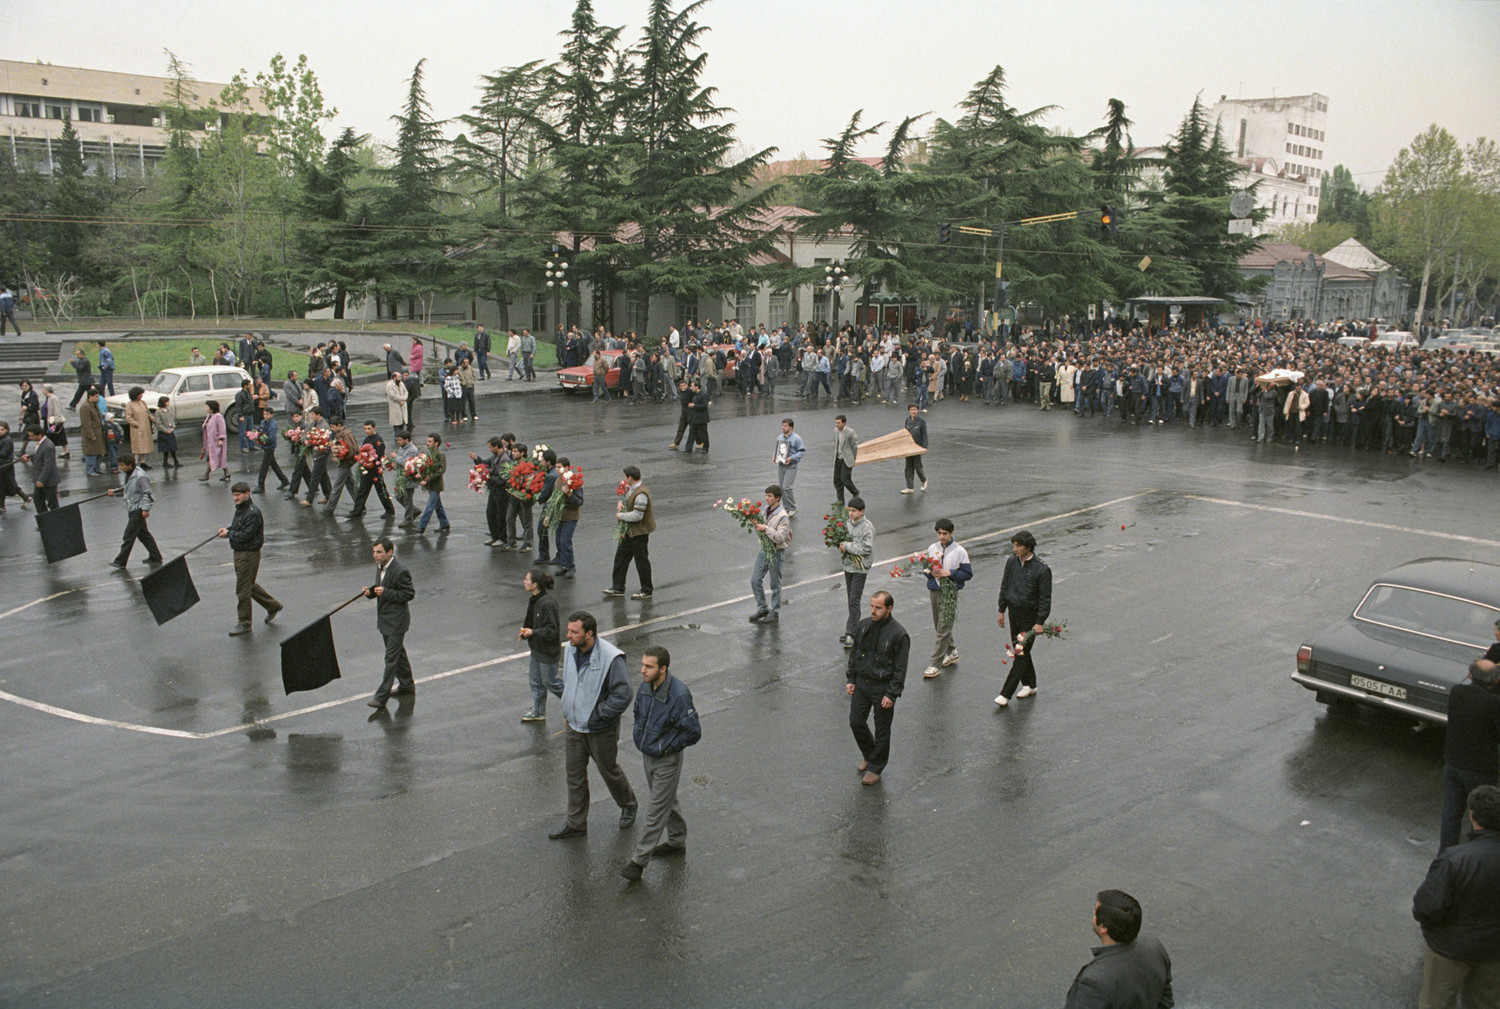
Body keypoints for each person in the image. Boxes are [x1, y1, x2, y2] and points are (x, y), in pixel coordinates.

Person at [548, 611, 638, 839]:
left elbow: (624, 694)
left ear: (589, 633)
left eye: (574, 632)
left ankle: (628, 804)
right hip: (574, 726)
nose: (568, 635)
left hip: (600, 729)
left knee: (609, 771)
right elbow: (571, 682)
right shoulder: (570, 650)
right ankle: (576, 823)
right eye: (568, 630)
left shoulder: (611, 657)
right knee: (574, 775)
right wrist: (570, 709)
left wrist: (598, 715)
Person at [1413, 784, 1500, 1009]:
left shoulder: (1455, 859)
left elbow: (1426, 907)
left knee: (1437, 1003)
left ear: (1472, 816)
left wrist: (1436, 933)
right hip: (1494, 951)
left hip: (1449, 950)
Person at [621, 645, 701, 881]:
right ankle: (676, 841)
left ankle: (638, 861)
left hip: (666, 759)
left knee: (656, 808)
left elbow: (693, 732)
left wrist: (665, 747)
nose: (642, 670)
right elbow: (638, 712)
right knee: (666, 798)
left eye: (648, 666)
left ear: (663, 669)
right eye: (643, 665)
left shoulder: (678, 695)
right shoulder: (646, 687)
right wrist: (641, 738)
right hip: (649, 754)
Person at [1063, 889, 1174, 1009]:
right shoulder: (1153, 946)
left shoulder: (1094, 982)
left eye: (1095, 912)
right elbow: (1166, 1001)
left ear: (1103, 927)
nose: (1093, 914)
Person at [846, 591, 910, 786]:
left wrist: (892, 693)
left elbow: (900, 668)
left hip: (883, 688)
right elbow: (855, 653)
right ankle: (870, 753)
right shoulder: (864, 626)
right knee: (856, 721)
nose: (873, 611)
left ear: (889, 609)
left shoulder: (899, 634)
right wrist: (851, 678)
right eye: (871, 606)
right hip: (863, 683)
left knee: (882, 729)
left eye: (878, 608)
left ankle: (876, 767)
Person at [1439, 659, 1500, 852]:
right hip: (1482, 770)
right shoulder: (1494, 702)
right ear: (1496, 681)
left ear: (1470, 675)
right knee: (1484, 816)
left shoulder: (1457, 692)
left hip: (1454, 763)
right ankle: (1476, 855)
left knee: (1451, 814)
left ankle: (1446, 854)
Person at [995, 529, 1053, 706]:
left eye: (1018, 546)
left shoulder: (1042, 570)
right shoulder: (1012, 562)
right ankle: (1030, 684)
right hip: (1014, 612)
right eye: (1014, 545)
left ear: (1029, 547)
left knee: (1020, 652)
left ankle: (1005, 693)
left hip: (1030, 617)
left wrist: (1040, 622)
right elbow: (1005, 585)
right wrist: (1001, 609)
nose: (1015, 549)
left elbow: (1045, 598)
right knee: (1021, 649)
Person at [217, 482, 282, 636]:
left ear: (247, 493)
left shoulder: (253, 513)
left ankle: (244, 622)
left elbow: (246, 535)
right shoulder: (242, 510)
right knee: (248, 585)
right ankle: (273, 606)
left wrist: (229, 534)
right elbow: (239, 527)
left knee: (243, 590)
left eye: (238, 495)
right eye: (233, 495)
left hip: (248, 554)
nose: (235, 498)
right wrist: (228, 529)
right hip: (240, 552)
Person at [361, 537, 416, 708]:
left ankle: (381, 696)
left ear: (389, 552)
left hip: (396, 622)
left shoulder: (400, 570)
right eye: (374, 552)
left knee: (391, 658)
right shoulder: (381, 566)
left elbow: (408, 594)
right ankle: (407, 685)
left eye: (379, 552)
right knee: (398, 654)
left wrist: (386, 592)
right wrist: (371, 593)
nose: (375, 555)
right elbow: (382, 587)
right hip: (385, 620)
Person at [920, 518, 974, 679]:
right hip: (935, 589)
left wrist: (949, 573)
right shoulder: (932, 548)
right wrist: (931, 573)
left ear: (951, 533)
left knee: (943, 628)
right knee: (939, 625)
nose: (942, 537)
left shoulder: (959, 551)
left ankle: (934, 664)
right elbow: (925, 567)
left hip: (950, 592)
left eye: (945, 533)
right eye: (939, 533)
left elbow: (967, 573)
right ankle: (952, 651)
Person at [518, 568, 562, 722]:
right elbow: (530, 621)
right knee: (535, 681)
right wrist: (525, 632)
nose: (525, 581)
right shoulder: (534, 599)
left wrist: (533, 633)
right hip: (537, 649)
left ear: (535, 584)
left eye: (527, 579)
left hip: (547, 651)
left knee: (549, 682)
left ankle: (574, 700)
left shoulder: (548, 603)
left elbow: (552, 630)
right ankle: (538, 711)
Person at [105, 452, 163, 568]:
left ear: (130, 465)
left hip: (138, 509)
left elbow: (147, 494)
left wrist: (145, 509)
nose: (120, 468)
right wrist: (115, 493)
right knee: (143, 535)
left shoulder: (140, 476)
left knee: (129, 535)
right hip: (132, 508)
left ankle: (120, 561)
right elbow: (129, 491)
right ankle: (155, 556)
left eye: (122, 465)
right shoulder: (129, 474)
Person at [605, 465, 653, 600]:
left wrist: (621, 516)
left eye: (625, 477)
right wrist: (622, 503)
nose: (624, 479)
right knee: (620, 558)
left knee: (641, 561)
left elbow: (638, 515)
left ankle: (647, 590)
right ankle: (618, 587)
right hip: (630, 532)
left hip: (639, 533)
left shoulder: (641, 494)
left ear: (630, 478)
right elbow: (629, 503)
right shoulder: (633, 490)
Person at [747, 484, 792, 624]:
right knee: (755, 579)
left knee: (775, 583)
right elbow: (760, 531)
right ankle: (762, 608)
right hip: (765, 550)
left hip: (776, 552)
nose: (767, 498)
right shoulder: (765, 511)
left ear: (777, 498)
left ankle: (775, 611)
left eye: (770, 496)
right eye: (766, 495)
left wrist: (765, 528)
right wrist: (756, 525)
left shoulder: (783, 516)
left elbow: (780, 538)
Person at [838, 497, 874, 647]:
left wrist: (847, 546)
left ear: (862, 511)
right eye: (849, 510)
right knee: (850, 599)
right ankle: (854, 628)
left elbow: (866, 548)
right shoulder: (847, 524)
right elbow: (842, 540)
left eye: (854, 511)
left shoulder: (867, 527)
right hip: (848, 566)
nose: (851, 513)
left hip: (860, 568)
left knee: (854, 600)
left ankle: (851, 633)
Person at [348, 421, 394, 518]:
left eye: (369, 428)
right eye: (365, 429)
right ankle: (357, 511)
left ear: (374, 428)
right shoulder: (367, 439)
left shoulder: (378, 440)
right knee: (362, 490)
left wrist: (371, 460)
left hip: (375, 470)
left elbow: (380, 455)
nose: (367, 431)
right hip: (367, 469)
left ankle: (390, 510)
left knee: (381, 490)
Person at [550, 454, 582, 579]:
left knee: (565, 541)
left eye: (559, 467)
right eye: (556, 467)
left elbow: (579, 501)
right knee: (559, 541)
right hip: (560, 516)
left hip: (570, 517)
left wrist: (569, 495)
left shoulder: (574, 481)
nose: (557, 469)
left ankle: (571, 567)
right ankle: (564, 565)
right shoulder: (558, 481)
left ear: (567, 468)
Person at [321, 418, 359, 515]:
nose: (332, 429)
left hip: (345, 463)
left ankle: (329, 509)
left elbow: (352, 449)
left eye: (333, 427)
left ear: (339, 425)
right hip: (345, 462)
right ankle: (359, 503)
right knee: (350, 484)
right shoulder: (342, 434)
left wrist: (340, 456)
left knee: (337, 486)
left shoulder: (345, 434)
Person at [416, 433, 449, 534]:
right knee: (437, 505)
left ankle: (421, 527)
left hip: (436, 484)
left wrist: (429, 478)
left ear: (436, 443)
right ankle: (444, 523)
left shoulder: (440, 454)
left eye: (430, 441)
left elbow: (442, 469)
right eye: (427, 441)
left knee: (430, 506)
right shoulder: (427, 455)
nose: (427, 443)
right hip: (429, 483)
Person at [21, 426, 59, 512]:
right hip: (39, 479)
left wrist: (41, 480)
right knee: (38, 501)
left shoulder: (48, 446)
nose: (30, 438)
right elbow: (40, 456)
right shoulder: (40, 443)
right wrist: (30, 457)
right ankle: (44, 522)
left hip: (47, 481)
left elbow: (48, 465)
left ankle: (56, 523)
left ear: (39, 434)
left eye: (32, 436)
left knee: (52, 504)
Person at [252, 407, 289, 494]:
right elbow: (261, 430)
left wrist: (262, 439)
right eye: (264, 414)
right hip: (266, 445)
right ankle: (284, 480)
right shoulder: (263, 422)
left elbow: (271, 437)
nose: (265, 416)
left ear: (272, 415)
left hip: (270, 446)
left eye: (267, 414)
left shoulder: (273, 424)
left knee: (264, 466)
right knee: (273, 464)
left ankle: (261, 485)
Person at [773, 418, 805, 517]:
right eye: (783, 425)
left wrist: (792, 458)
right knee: (781, 488)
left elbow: (802, 451)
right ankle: (786, 508)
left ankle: (793, 507)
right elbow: (777, 449)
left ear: (791, 427)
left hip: (791, 465)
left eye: (786, 425)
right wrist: (774, 456)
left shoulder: (796, 438)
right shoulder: (780, 438)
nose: (783, 427)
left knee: (787, 487)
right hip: (781, 465)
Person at [0, 421, 33, 513]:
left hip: (6, 466)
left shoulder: (7, 440)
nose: (0, 431)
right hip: (2, 466)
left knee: (9, 484)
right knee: (2, 485)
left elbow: (4, 453)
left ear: (7, 430)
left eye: (2, 429)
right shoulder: (2, 439)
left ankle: (26, 498)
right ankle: (2, 505)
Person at [79, 386, 107, 477]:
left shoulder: (95, 405)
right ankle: (90, 470)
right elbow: (86, 423)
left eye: (98, 396)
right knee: (91, 454)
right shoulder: (85, 407)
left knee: (99, 453)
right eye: (96, 396)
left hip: (99, 433)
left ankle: (97, 468)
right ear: (90, 396)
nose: (98, 398)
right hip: (92, 434)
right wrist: (91, 435)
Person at [199, 400, 229, 483]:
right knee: (215, 457)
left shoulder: (218, 416)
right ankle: (226, 472)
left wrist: (221, 439)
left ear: (211, 408)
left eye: (207, 407)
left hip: (217, 441)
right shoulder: (209, 416)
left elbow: (222, 428)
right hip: (210, 441)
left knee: (215, 457)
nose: (205, 408)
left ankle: (206, 475)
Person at [123, 386, 153, 468]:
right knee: (138, 447)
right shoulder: (129, 404)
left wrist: (154, 420)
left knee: (145, 445)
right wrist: (136, 424)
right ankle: (135, 462)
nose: (141, 396)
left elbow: (148, 413)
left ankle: (143, 462)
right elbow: (128, 417)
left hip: (146, 427)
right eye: (140, 394)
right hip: (137, 429)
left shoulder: (143, 402)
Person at [833, 414, 859, 505]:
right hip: (838, 458)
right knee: (837, 480)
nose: (837, 425)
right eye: (836, 423)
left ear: (844, 423)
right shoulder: (836, 431)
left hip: (846, 459)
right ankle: (840, 499)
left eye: (839, 423)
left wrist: (853, 458)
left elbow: (854, 447)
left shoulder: (850, 432)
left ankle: (855, 492)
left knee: (845, 479)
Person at [902, 403, 929, 493]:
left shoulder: (921, 421)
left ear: (917, 411)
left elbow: (925, 435)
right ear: (909, 411)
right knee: (908, 467)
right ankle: (909, 487)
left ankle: (924, 480)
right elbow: (905, 433)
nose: (913, 411)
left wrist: (924, 447)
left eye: (915, 409)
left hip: (917, 447)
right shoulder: (907, 420)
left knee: (918, 467)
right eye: (912, 409)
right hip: (909, 447)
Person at [385, 370, 409, 436]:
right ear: (394, 378)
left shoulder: (401, 383)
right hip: (395, 407)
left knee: (402, 423)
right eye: (399, 377)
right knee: (397, 424)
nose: (400, 378)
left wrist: (404, 399)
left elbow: (406, 392)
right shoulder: (389, 385)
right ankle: (398, 438)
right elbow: (392, 396)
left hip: (402, 405)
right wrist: (401, 399)